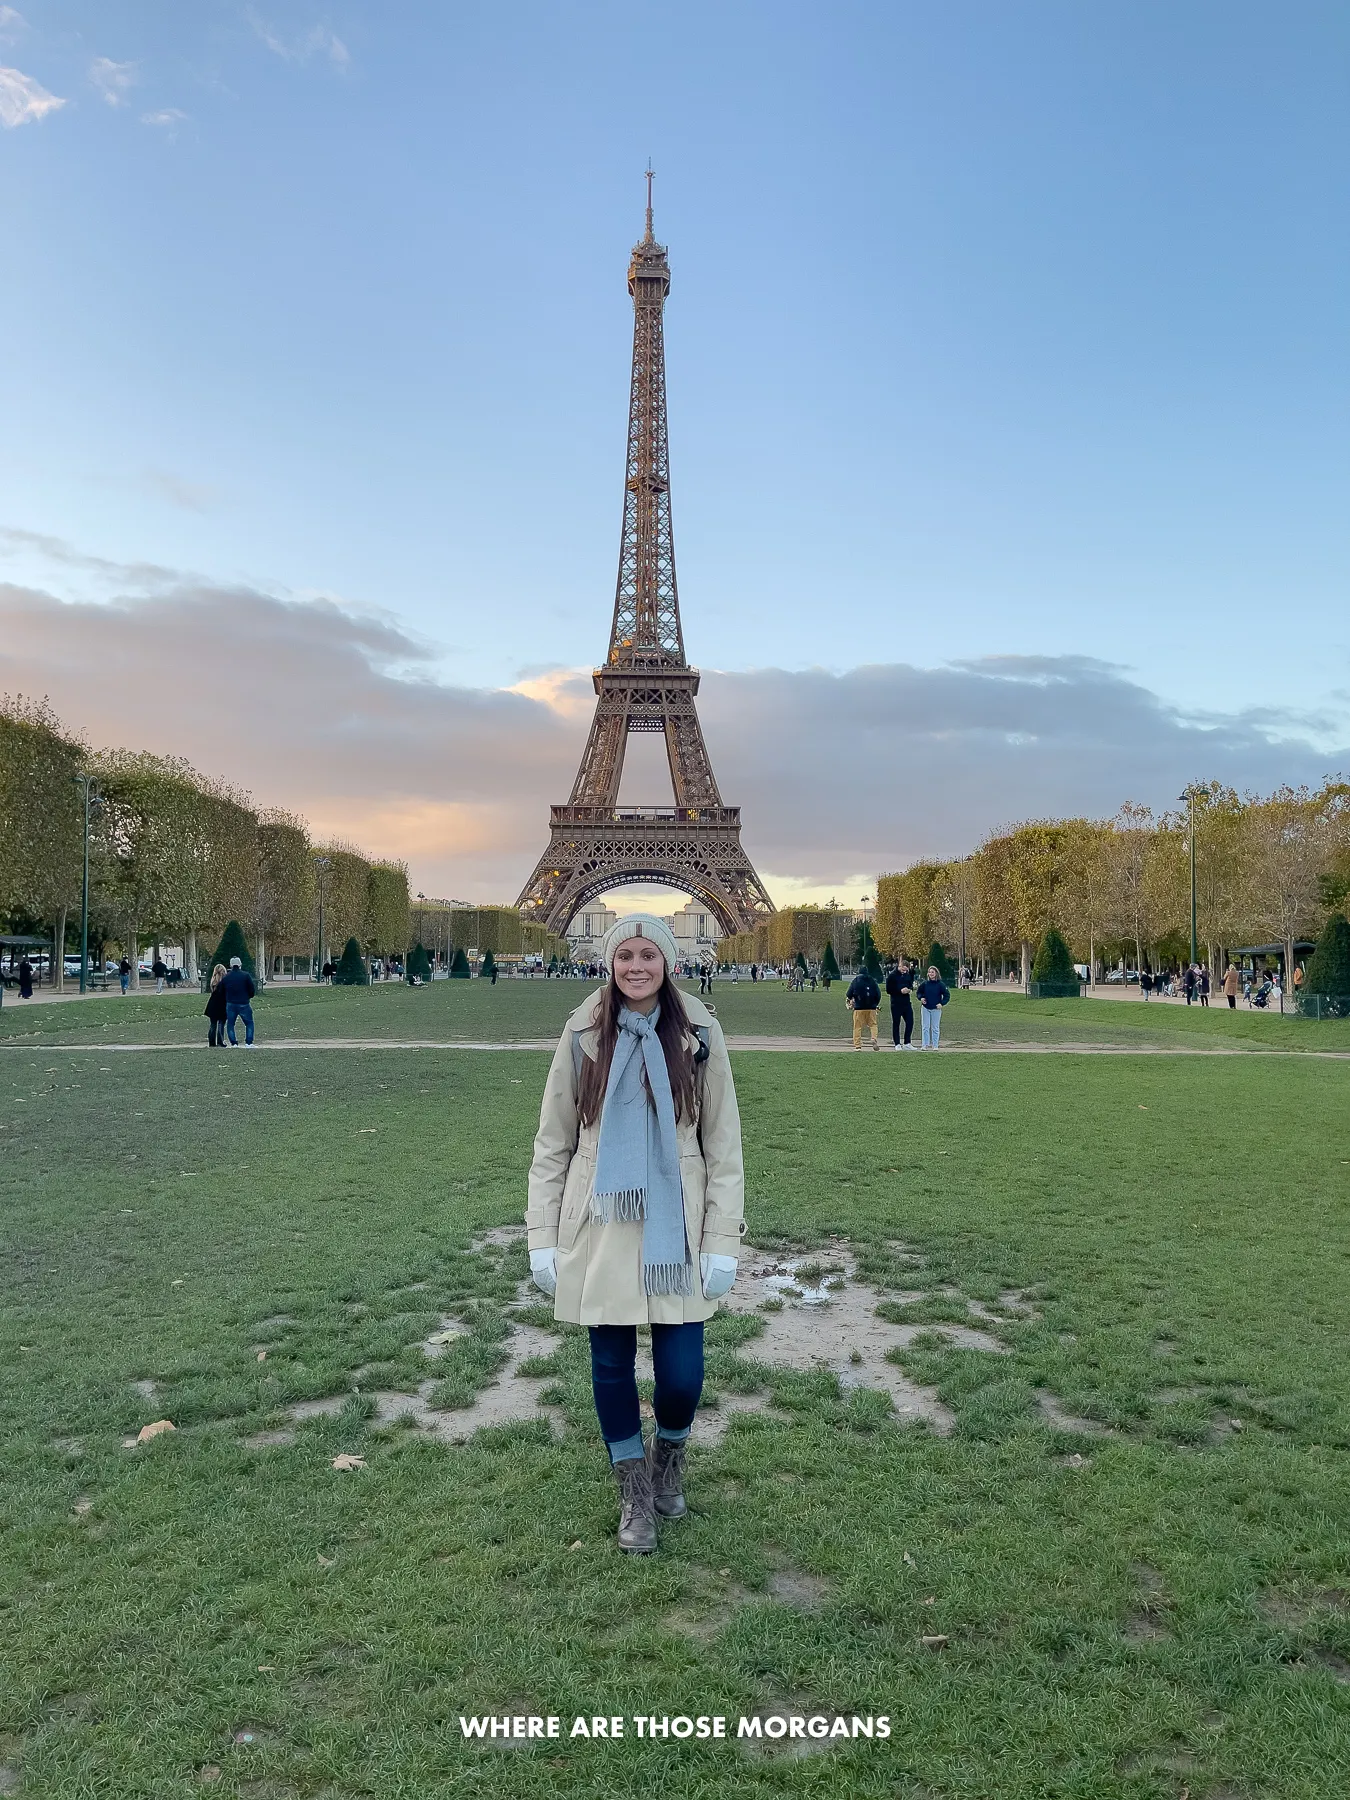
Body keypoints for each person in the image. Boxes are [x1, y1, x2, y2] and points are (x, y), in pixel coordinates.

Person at [525, 914, 744, 1554]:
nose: (637, 966)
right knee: (611, 1365)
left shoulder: (701, 1033)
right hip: (603, 1221)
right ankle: (634, 1493)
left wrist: (722, 1241)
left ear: (668, 962)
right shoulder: (583, 1033)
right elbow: (553, 1141)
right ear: (610, 963)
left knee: (681, 1375)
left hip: (678, 1218)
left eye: (650, 954)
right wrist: (542, 1234)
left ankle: (668, 1458)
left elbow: (723, 1145)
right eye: (626, 955)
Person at [845, 964, 882, 1050]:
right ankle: (873, 1038)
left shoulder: (856, 980)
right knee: (873, 1024)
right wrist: (875, 1003)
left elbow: (849, 993)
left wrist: (850, 1000)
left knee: (857, 1026)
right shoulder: (873, 980)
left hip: (859, 1008)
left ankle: (858, 1046)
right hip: (871, 1007)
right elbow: (878, 994)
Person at [223, 956, 257, 1046]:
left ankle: (234, 1043)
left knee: (230, 1024)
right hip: (244, 1002)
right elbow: (252, 989)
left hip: (231, 1003)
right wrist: (249, 996)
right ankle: (249, 1043)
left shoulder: (226, 977)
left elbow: (222, 990)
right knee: (249, 1023)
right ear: (240, 965)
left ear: (230, 965)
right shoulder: (245, 975)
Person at [917, 965, 950, 1048]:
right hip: (925, 1008)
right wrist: (921, 998)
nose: (931, 973)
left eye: (932, 972)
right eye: (929, 972)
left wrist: (942, 1003)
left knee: (935, 1027)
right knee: (925, 1027)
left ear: (936, 973)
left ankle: (935, 1045)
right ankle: (925, 1044)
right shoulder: (925, 984)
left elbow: (947, 995)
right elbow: (919, 992)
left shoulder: (940, 984)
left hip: (936, 1008)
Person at [884, 958, 915, 1049]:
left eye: (906, 970)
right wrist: (900, 991)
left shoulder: (907, 975)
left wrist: (909, 990)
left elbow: (910, 985)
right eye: (903, 969)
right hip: (896, 1003)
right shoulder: (892, 976)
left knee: (910, 1022)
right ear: (899, 966)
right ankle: (897, 1043)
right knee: (896, 1023)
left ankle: (907, 1043)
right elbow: (888, 990)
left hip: (906, 1002)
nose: (904, 971)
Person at [204, 963, 229, 1047]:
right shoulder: (225, 982)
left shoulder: (213, 981)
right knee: (221, 1023)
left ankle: (211, 1042)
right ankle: (220, 1041)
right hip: (222, 1004)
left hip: (213, 1004)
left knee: (213, 1024)